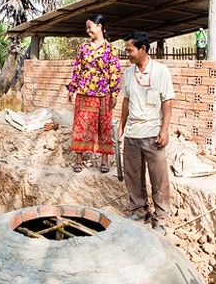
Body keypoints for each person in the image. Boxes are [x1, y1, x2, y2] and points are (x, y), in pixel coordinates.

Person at [118, 31, 175, 236]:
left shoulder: (161, 71)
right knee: (133, 175)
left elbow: (167, 101)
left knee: (158, 178)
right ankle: (139, 211)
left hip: (153, 133)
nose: (128, 55)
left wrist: (165, 129)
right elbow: (126, 100)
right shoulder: (128, 73)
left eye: (130, 50)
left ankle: (160, 219)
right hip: (133, 132)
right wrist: (122, 126)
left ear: (143, 49)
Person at [67, 14, 121, 173]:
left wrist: (114, 94)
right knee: (80, 125)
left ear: (99, 26)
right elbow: (77, 69)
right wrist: (72, 89)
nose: (87, 30)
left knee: (104, 127)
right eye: (87, 28)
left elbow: (115, 73)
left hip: (104, 94)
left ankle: (104, 160)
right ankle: (78, 159)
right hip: (84, 93)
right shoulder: (83, 48)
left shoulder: (111, 49)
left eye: (90, 27)